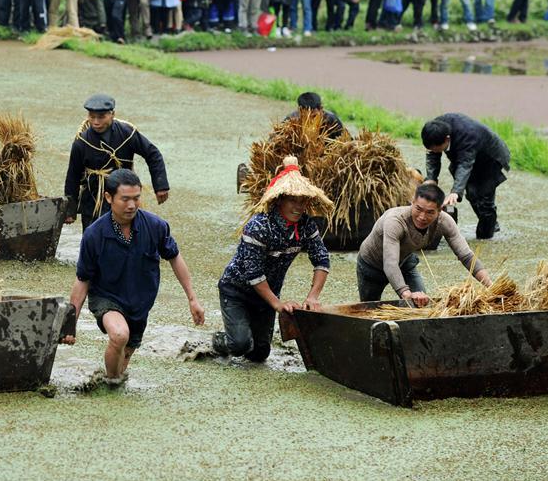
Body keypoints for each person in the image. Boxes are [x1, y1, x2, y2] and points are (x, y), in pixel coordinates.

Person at [61, 169, 204, 386]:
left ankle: (111, 381)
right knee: (119, 335)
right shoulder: (94, 234)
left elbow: (175, 258)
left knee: (124, 358)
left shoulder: (155, 226)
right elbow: (83, 280)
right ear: (109, 198)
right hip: (106, 297)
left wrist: (192, 298)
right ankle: (110, 385)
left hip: (140, 303)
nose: (131, 205)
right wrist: (71, 323)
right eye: (125, 199)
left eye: (136, 198)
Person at [213, 156, 331, 362]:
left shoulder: (307, 226)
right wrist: (277, 304)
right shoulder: (259, 226)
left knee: (259, 354)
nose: (299, 206)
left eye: (303, 200)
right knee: (240, 345)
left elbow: (321, 259)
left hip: (267, 294)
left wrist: (313, 296)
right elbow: (254, 274)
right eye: (293, 200)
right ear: (279, 200)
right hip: (237, 290)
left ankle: (244, 333)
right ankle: (221, 340)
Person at [357, 183, 492, 306]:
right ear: (412, 202)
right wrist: (406, 293)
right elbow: (390, 264)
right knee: (369, 311)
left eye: (430, 212)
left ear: (440, 210)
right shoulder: (395, 221)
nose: (422, 217)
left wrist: (491, 287)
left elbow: (467, 256)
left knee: (421, 305)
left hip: (404, 262)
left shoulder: (444, 222)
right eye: (418, 209)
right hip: (372, 265)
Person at [64, 94, 169, 231]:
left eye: (101, 117)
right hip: (94, 197)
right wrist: (70, 211)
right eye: (91, 116)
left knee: (127, 232)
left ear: (112, 114)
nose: (95, 122)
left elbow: (152, 154)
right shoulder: (81, 142)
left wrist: (160, 185)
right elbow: (73, 175)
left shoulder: (127, 133)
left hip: (124, 194)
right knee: (94, 235)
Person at [421, 113, 510, 240]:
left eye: (438, 149)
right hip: (465, 157)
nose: (435, 152)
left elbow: (465, 164)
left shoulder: (467, 135)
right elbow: (432, 154)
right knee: (472, 195)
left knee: (484, 200)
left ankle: (485, 237)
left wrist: (455, 191)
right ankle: (491, 224)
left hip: (489, 159)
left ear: (447, 139)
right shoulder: (435, 130)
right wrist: (431, 179)